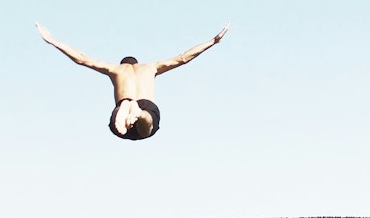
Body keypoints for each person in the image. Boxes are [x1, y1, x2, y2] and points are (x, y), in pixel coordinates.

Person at [36, 22, 229, 140]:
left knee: (121, 127)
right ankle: (140, 114)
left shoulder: (116, 69)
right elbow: (183, 58)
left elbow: (82, 58)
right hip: (148, 105)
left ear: (123, 64)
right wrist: (212, 41)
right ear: (138, 63)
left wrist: (52, 40)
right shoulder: (150, 67)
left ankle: (128, 107)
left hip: (122, 106)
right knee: (148, 126)